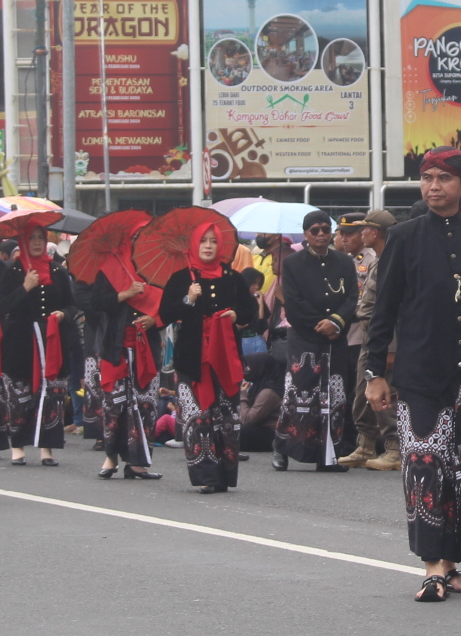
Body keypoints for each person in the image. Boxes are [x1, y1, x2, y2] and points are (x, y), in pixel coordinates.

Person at [362, 147, 461, 602]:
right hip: (420, 376)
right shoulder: (405, 238)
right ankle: (432, 568)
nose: (434, 186)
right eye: (427, 177)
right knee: (425, 466)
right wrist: (375, 373)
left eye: (444, 178)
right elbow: (383, 313)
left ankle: (453, 568)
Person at [159, 220, 256, 493]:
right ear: (195, 244)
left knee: (226, 416)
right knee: (199, 415)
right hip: (192, 357)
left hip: (226, 356)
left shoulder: (232, 277)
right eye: (203, 241)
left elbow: (253, 313)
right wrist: (188, 300)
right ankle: (206, 476)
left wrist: (237, 315)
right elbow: (164, 315)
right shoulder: (182, 279)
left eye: (213, 241)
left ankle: (225, 475)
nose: (209, 246)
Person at [273, 209, 358, 472]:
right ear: (306, 234)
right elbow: (293, 301)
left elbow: (352, 296)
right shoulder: (293, 263)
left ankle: (328, 454)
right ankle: (282, 446)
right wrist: (319, 325)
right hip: (305, 338)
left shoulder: (344, 261)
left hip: (336, 338)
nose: (321, 235)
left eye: (325, 230)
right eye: (314, 231)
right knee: (300, 393)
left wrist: (336, 322)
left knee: (333, 395)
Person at [0, 228, 80, 467]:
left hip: (52, 338)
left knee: (52, 392)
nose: (37, 242)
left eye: (41, 238)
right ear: (23, 240)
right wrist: (25, 288)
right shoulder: (12, 271)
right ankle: (17, 446)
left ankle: (46, 447)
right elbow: (0, 306)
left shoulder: (58, 271)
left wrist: (63, 313)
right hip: (20, 340)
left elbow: (72, 305)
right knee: (19, 393)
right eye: (32, 237)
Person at [80, 238, 164, 482]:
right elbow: (95, 303)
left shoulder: (155, 267)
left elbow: (167, 306)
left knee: (144, 404)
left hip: (146, 346)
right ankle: (111, 457)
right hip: (115, 345)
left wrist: (155, 320)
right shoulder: (109, 268)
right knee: (114, 404)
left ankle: (138, 463)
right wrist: (126, 293)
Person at [341, 208, 400, 469]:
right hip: (368, 333)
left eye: (364, 228)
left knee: (384, 394)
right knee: (362, 393)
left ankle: (393, 448)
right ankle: (364, 445)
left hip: (383, 337)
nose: (361, 232)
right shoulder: (377, 258)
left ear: (374, 232)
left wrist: (391, 347)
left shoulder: (391, 260)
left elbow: (392, 310)